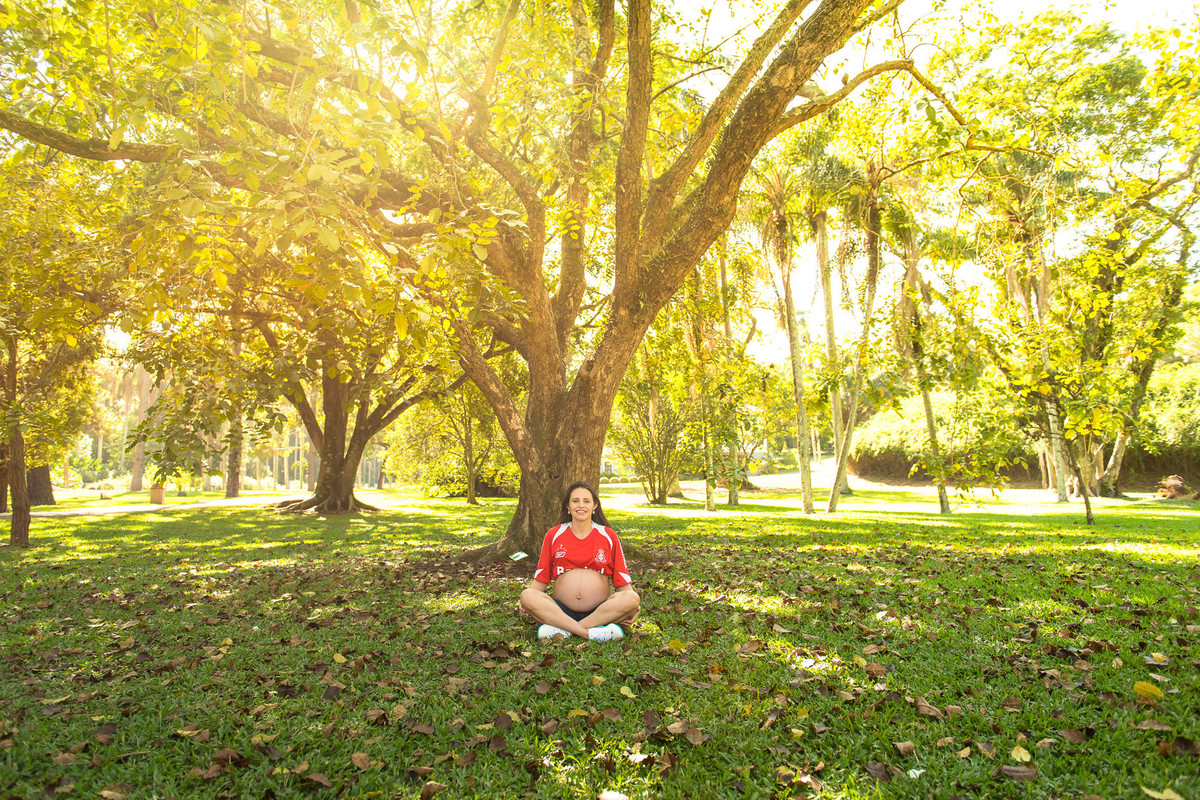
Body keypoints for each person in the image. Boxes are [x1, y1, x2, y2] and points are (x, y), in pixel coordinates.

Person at [518, 481, 640, 641]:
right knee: (527, 595)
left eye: (586, 501)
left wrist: (632, 606)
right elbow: (541, 579)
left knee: (632, 598)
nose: (580, 505)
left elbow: (623, 584)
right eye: (575, 500)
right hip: (560, 610)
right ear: (568, 506)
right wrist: (525, 603)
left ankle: (564, 630)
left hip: (600, 611)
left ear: (595, 505)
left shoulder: (608, 536)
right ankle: (592, 633)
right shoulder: (553, 534)